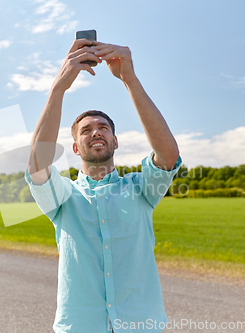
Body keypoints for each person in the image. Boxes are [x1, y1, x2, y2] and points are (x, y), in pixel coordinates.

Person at [25, 37, 181, 333]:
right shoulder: (63, 196)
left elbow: (168, 155)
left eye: (103, 127)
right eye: (86, 130)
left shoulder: (140, 190)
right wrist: (59, 87)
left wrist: (129, 79)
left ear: (115, 141)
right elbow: (38, 165)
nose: (96, 132)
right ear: (74, 147)